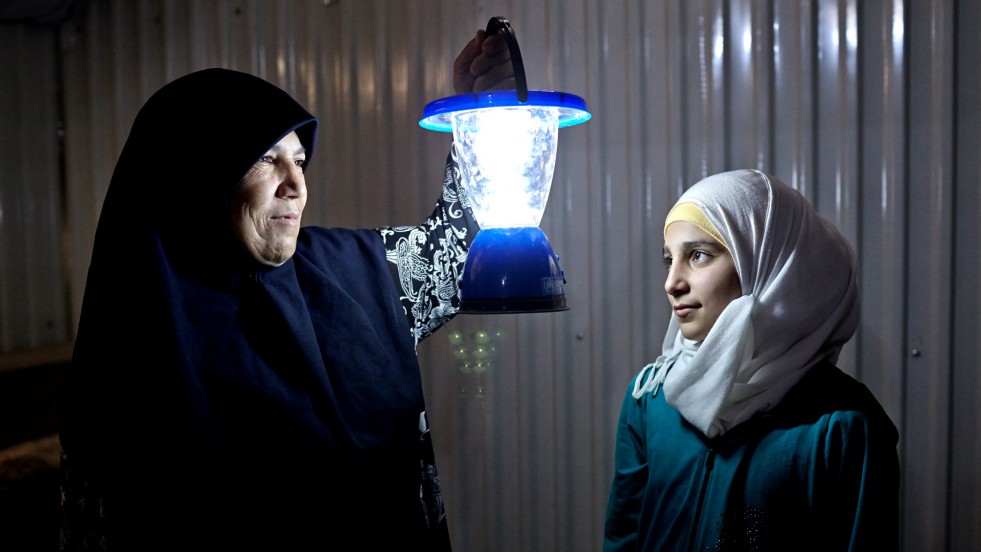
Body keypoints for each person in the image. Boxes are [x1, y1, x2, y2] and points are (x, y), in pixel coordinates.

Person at [57, 28, 514, 551]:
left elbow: (464, 251)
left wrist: (482, 111)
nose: (295, 182)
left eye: (298, 159)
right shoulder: (129, 360)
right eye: (264, 158)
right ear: (193, 178)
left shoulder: (356, 275)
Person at [603, 169, 900, 551]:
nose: (672, 282)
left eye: (698, 255)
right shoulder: (650, 400)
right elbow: (623, 539)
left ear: (765, 263)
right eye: (669, 259)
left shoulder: (841, 428)